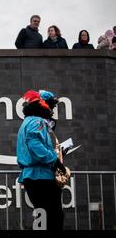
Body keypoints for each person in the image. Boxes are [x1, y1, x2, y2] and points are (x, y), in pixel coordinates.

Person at [16, 90, 70, 230]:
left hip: (33, 176)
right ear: (43, 105)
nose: (52, 111)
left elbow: (35, 145)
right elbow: (35, 145)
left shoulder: (27, 122)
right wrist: (55, 161)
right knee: (54, 217)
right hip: (42, 176)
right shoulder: (37, 121)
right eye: (51, 106)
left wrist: (57, 154)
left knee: (43, 218)